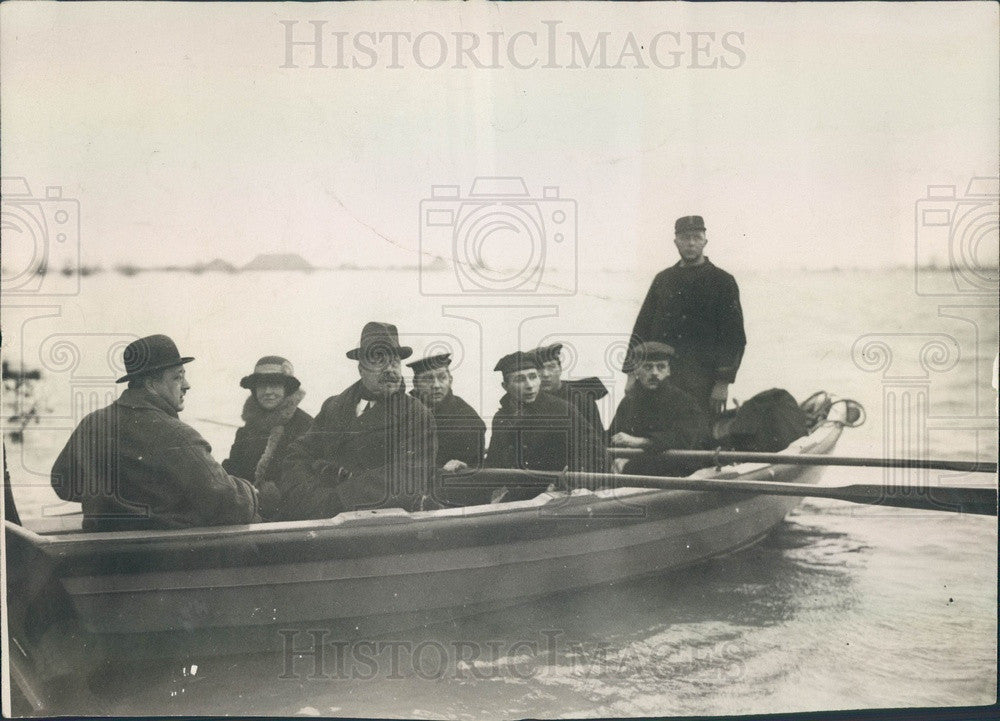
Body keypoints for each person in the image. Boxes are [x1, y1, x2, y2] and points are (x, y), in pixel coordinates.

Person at [50, 334, 259, 532]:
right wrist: (250, 491)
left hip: (99, 551)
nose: (186, 385)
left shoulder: (92, 423)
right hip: (162, 552)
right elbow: (230, 502)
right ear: (151, 384)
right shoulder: (178, 435)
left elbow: (63, 484)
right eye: (178, 377)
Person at [277, 322, 437, 519]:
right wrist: (307, 496)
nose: (390, 369)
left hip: (381, 526)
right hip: (320, 518)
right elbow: (298, 454)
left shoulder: (416, 414)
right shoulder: (333, 407)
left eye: (395, 362)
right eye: (379, 361)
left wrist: (337, 500)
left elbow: (408, 477)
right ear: (361, 369)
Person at [624, 215, 746, 416]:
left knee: (698, 429)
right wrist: (631, 374)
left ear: (705, 241)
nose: (691, 243)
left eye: (696, 237)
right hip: (661, 376)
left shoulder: (723, 281)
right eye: (685, 237)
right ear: (676, 242)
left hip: (703, 380)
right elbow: (642, 327)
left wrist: (722, 383)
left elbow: (734, 337)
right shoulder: (663, 280)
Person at [484, 351, 606, 487]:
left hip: (558, 491)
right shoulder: (502, 417)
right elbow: (494, 463)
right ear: (505, 386)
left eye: (533, 377)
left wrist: (574, 482)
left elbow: (596, 454)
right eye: (520, 380)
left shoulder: (562, 411)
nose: (529, 385)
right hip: (519, 491)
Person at [222, 356, 313, 520]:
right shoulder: (246, 431)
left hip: (293, 519)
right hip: (250, 516)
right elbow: (233, 470)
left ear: (287, 389)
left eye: (275, 385)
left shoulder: (305, 426)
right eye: (262, 385)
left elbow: (309, 480)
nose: (268, 391)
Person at [609, 341, 710, 477]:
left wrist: (639, 442)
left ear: (668, 371)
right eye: (648, 367)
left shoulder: (683, 401)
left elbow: (684, 440)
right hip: (640, 465)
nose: (655, 373)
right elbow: (616, 436)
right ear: (637, 371)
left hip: (677, 467)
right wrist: (618, 458)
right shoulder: (629, 402)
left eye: (661, 367)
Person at [407, 352, 485, 471]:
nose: (436, 385)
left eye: (442, 377)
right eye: (427, 379)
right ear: (415, 384)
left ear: (450, 380)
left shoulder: (467, 419)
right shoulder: (405, 412)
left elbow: (475, 468)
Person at [533, 342, 608, 441]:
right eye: (539, 369)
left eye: (551, 367)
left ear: (560, 369)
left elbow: (597, 439)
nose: (545, 374)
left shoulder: (581, 400)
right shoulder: (529, 400)